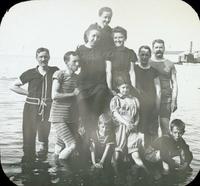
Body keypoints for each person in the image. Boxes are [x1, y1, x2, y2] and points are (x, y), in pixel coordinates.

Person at [10, 48, 59, 164]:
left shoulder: (55, 71)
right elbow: (13, 86)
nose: (43, 59)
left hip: (47, 108)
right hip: (30, 108)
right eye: (41, 57)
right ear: (36, 58)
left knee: (44, 137)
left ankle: (42, 165)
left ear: (49, 57)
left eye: (46, 57)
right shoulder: (30, 73)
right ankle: (28, 164)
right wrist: (29, 93)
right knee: (28, 136)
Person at [110, 76, 148, 176]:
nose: (125, 90)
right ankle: (115, 171)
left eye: (127, 87)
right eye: (123, 87)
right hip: (121, 127)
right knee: (118, 148)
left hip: (132, 127)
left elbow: (137, 115)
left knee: (135, 152)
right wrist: (126, 123)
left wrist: (135, 124)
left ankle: (146, 171)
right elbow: (115, 114)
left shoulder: (134, 99)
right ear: (118, 87)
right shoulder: (116, 99)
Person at [76, 26, 109, 140]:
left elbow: (107, 69)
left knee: (95, 112)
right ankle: (86, 137)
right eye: (93, 36)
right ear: (87, 36)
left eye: (98, 36)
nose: (95, 38)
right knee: (82, 109)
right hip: (84, 84)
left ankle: (93, 136)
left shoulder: (102, 51)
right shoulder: (80, 50)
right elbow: (74, 67)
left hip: (99, 84)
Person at [49, 51, 80, 160]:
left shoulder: (77, 77)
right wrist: (73, 94)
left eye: (78, 61)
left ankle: (54, 166)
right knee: (72, 145)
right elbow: (54, 95)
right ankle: (62, 168)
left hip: (71, 117)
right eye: (74, 61)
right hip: (59, 116)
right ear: (66, 62)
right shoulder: (59, 74)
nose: (77, 64)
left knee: (59, 145)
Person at [134, 45, 161, 148]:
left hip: (150, 104)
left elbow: (158, 90)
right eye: (142, 54)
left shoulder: (154, 71)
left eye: (146, 55)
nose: (144, 57)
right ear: (138, 55)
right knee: (139, 129)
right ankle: (137, 151)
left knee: (151, 130)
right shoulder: (134, 69)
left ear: (150, 56)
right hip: (138, 104)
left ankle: (150, 152)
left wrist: (157, 107)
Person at [150, 39, 178, 135]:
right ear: (152, 49)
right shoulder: (148, 62)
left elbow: (174, 83)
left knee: (165, 127)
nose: (158, 49)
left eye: (161, 47)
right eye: (156, 47)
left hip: (166, 99)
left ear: (164, 48)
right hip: (151, 99)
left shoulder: (170, 64)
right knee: (151, 128)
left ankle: (166, 150)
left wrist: (174, 100)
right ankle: (153, 149)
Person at [105, 26, 137, 95]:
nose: (118, 40)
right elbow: (108, 72)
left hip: (127, 84)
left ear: (125, 38)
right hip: (114, 84)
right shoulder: (110, 53)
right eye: (115, 38)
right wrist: (110, 89)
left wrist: (133, 88)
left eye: (120, 37)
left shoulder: (130, 53)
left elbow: (132, 72)